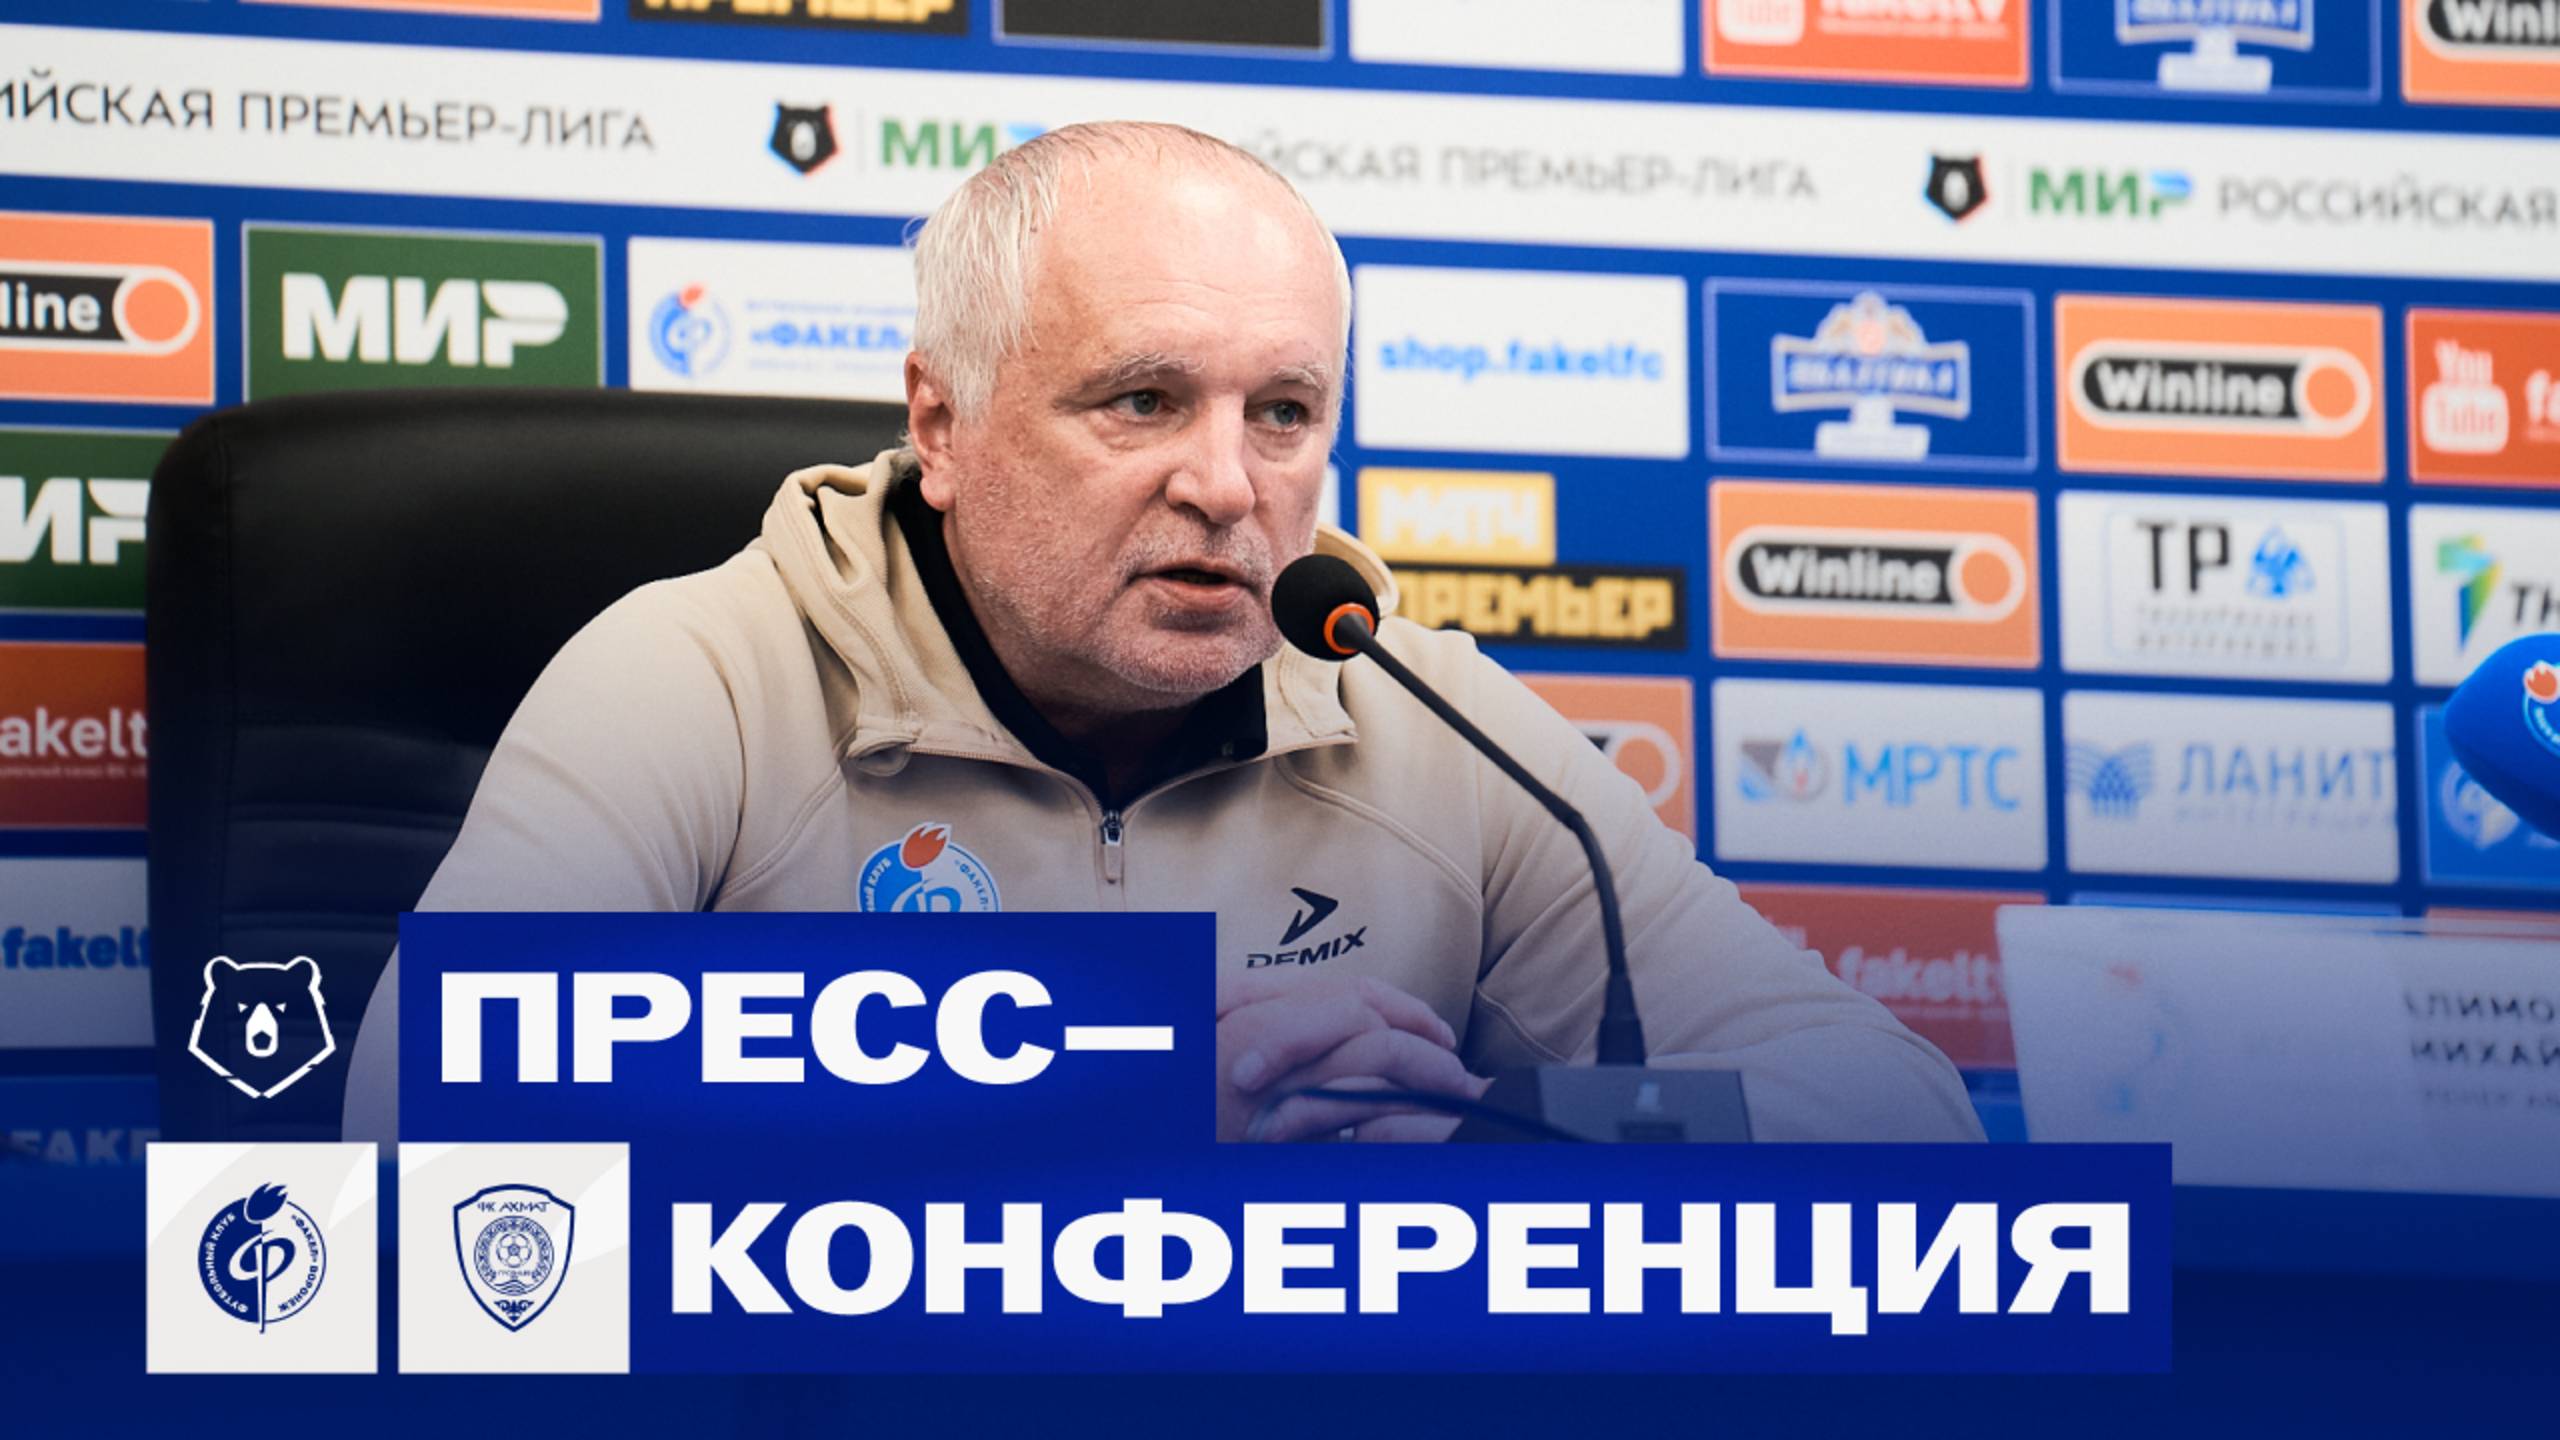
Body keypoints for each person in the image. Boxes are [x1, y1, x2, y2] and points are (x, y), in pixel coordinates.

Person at [343, 121, 1982, 1144]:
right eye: (1141, 400)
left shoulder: (1420, 710)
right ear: (944, 423)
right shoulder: (698, 674)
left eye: (1284, 412)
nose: (1226, 485)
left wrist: (1494, 1132)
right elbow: (429, 1126)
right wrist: (1100, 1092)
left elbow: (1898, 1113)